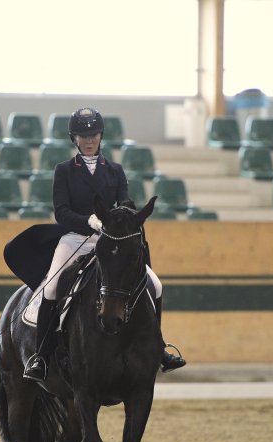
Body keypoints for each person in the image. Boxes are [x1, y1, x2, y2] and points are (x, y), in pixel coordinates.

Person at [23, 107, 186, 382]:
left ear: (101, 136)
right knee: (51, 287)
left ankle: (158, 349)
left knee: (155, 284)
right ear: (74, 138)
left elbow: (124, 200)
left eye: (94, 134)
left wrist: (122, 215)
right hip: (75, 238)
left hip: (111, 240)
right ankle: (41, 355)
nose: (89, 140)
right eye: (83, 135)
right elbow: (61, 212)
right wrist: (89, 221)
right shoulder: (64, 171)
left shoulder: (115, 170)